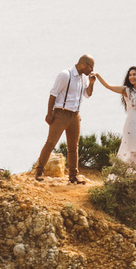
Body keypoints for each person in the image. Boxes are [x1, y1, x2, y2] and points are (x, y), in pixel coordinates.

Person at [35, 55, 96, 183]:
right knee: (51, 143)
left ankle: (73, 176)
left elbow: (87, 94)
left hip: (75, 116)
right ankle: (39, 170)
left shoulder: (83, 78)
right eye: (91, 67)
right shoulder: (65, 75)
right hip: (60, 114)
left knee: (73, 146)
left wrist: (91, 83)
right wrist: (49, 113)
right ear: (84, 64)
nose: (92, 70)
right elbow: (53, 94)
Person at [95, 66, 136, 172]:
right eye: (130, 75)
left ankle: (135, 178)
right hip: (132, 123)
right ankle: (124, 176)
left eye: (134, 74)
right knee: (131, 150)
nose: (132, 77)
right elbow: (109, 86)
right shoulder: (127, 90)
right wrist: (98, 76)